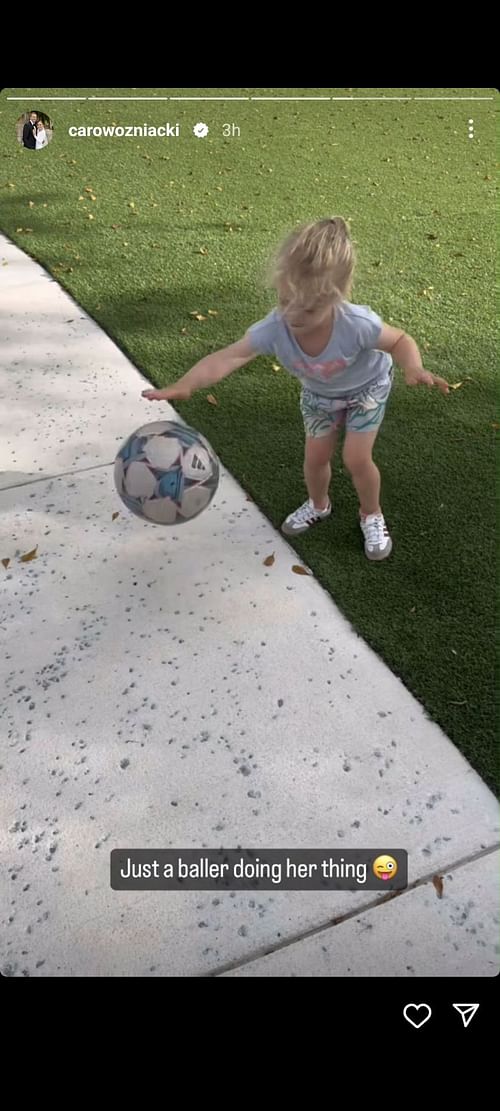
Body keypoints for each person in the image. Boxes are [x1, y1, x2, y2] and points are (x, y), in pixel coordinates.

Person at [142, 217, 449, 560]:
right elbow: (228, 358)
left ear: (337, 297)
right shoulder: (274, 328)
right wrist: (186, 384)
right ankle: (319, 505)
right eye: (285, 299)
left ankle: (371, 514)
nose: (293, 313)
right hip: (320, 396)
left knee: (356, 458)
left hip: (367, 389)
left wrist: (413, 366)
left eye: (310, 307)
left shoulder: (357, 324)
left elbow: (400, 340)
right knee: (315, 458)